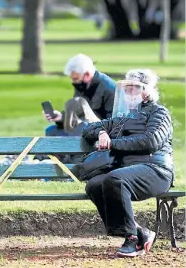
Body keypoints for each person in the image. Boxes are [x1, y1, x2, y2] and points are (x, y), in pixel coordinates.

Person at [82, 69, 174, 257]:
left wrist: (112, 143)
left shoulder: (159, 112)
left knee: (115, 179)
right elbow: (88, 129)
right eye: (127, 88)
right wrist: (101, 133)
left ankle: (133, 240)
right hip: (128, 171)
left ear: (146, 91)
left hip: (156, 170)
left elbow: (151, 141)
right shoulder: (123, 117)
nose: (129, 92)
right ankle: (139, 232)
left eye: (134, 88)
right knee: (94, 185)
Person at [34, 54, 116, 162]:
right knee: (51, 130)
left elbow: (114, 121)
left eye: (76, 79)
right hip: (82, 128)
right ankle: (44, 160)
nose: (74, 82)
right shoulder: (82, 85)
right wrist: (61, 117)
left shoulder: (109, 88)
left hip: (99, 132)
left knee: (80, 130)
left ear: (86, 74)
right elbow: (77, 113)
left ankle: (66, 161)